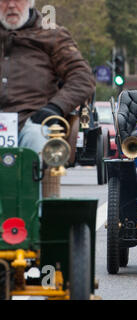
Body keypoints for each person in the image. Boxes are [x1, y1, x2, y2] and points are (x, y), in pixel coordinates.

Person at [0, 0, 95, 196]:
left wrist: (55, 108)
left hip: (33, 121)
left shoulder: (52, 34)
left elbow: (82, 77)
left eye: (17, 0)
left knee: (39, 142)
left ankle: (37, 219)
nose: (11, 6)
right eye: (4, 0)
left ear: (30, 2)